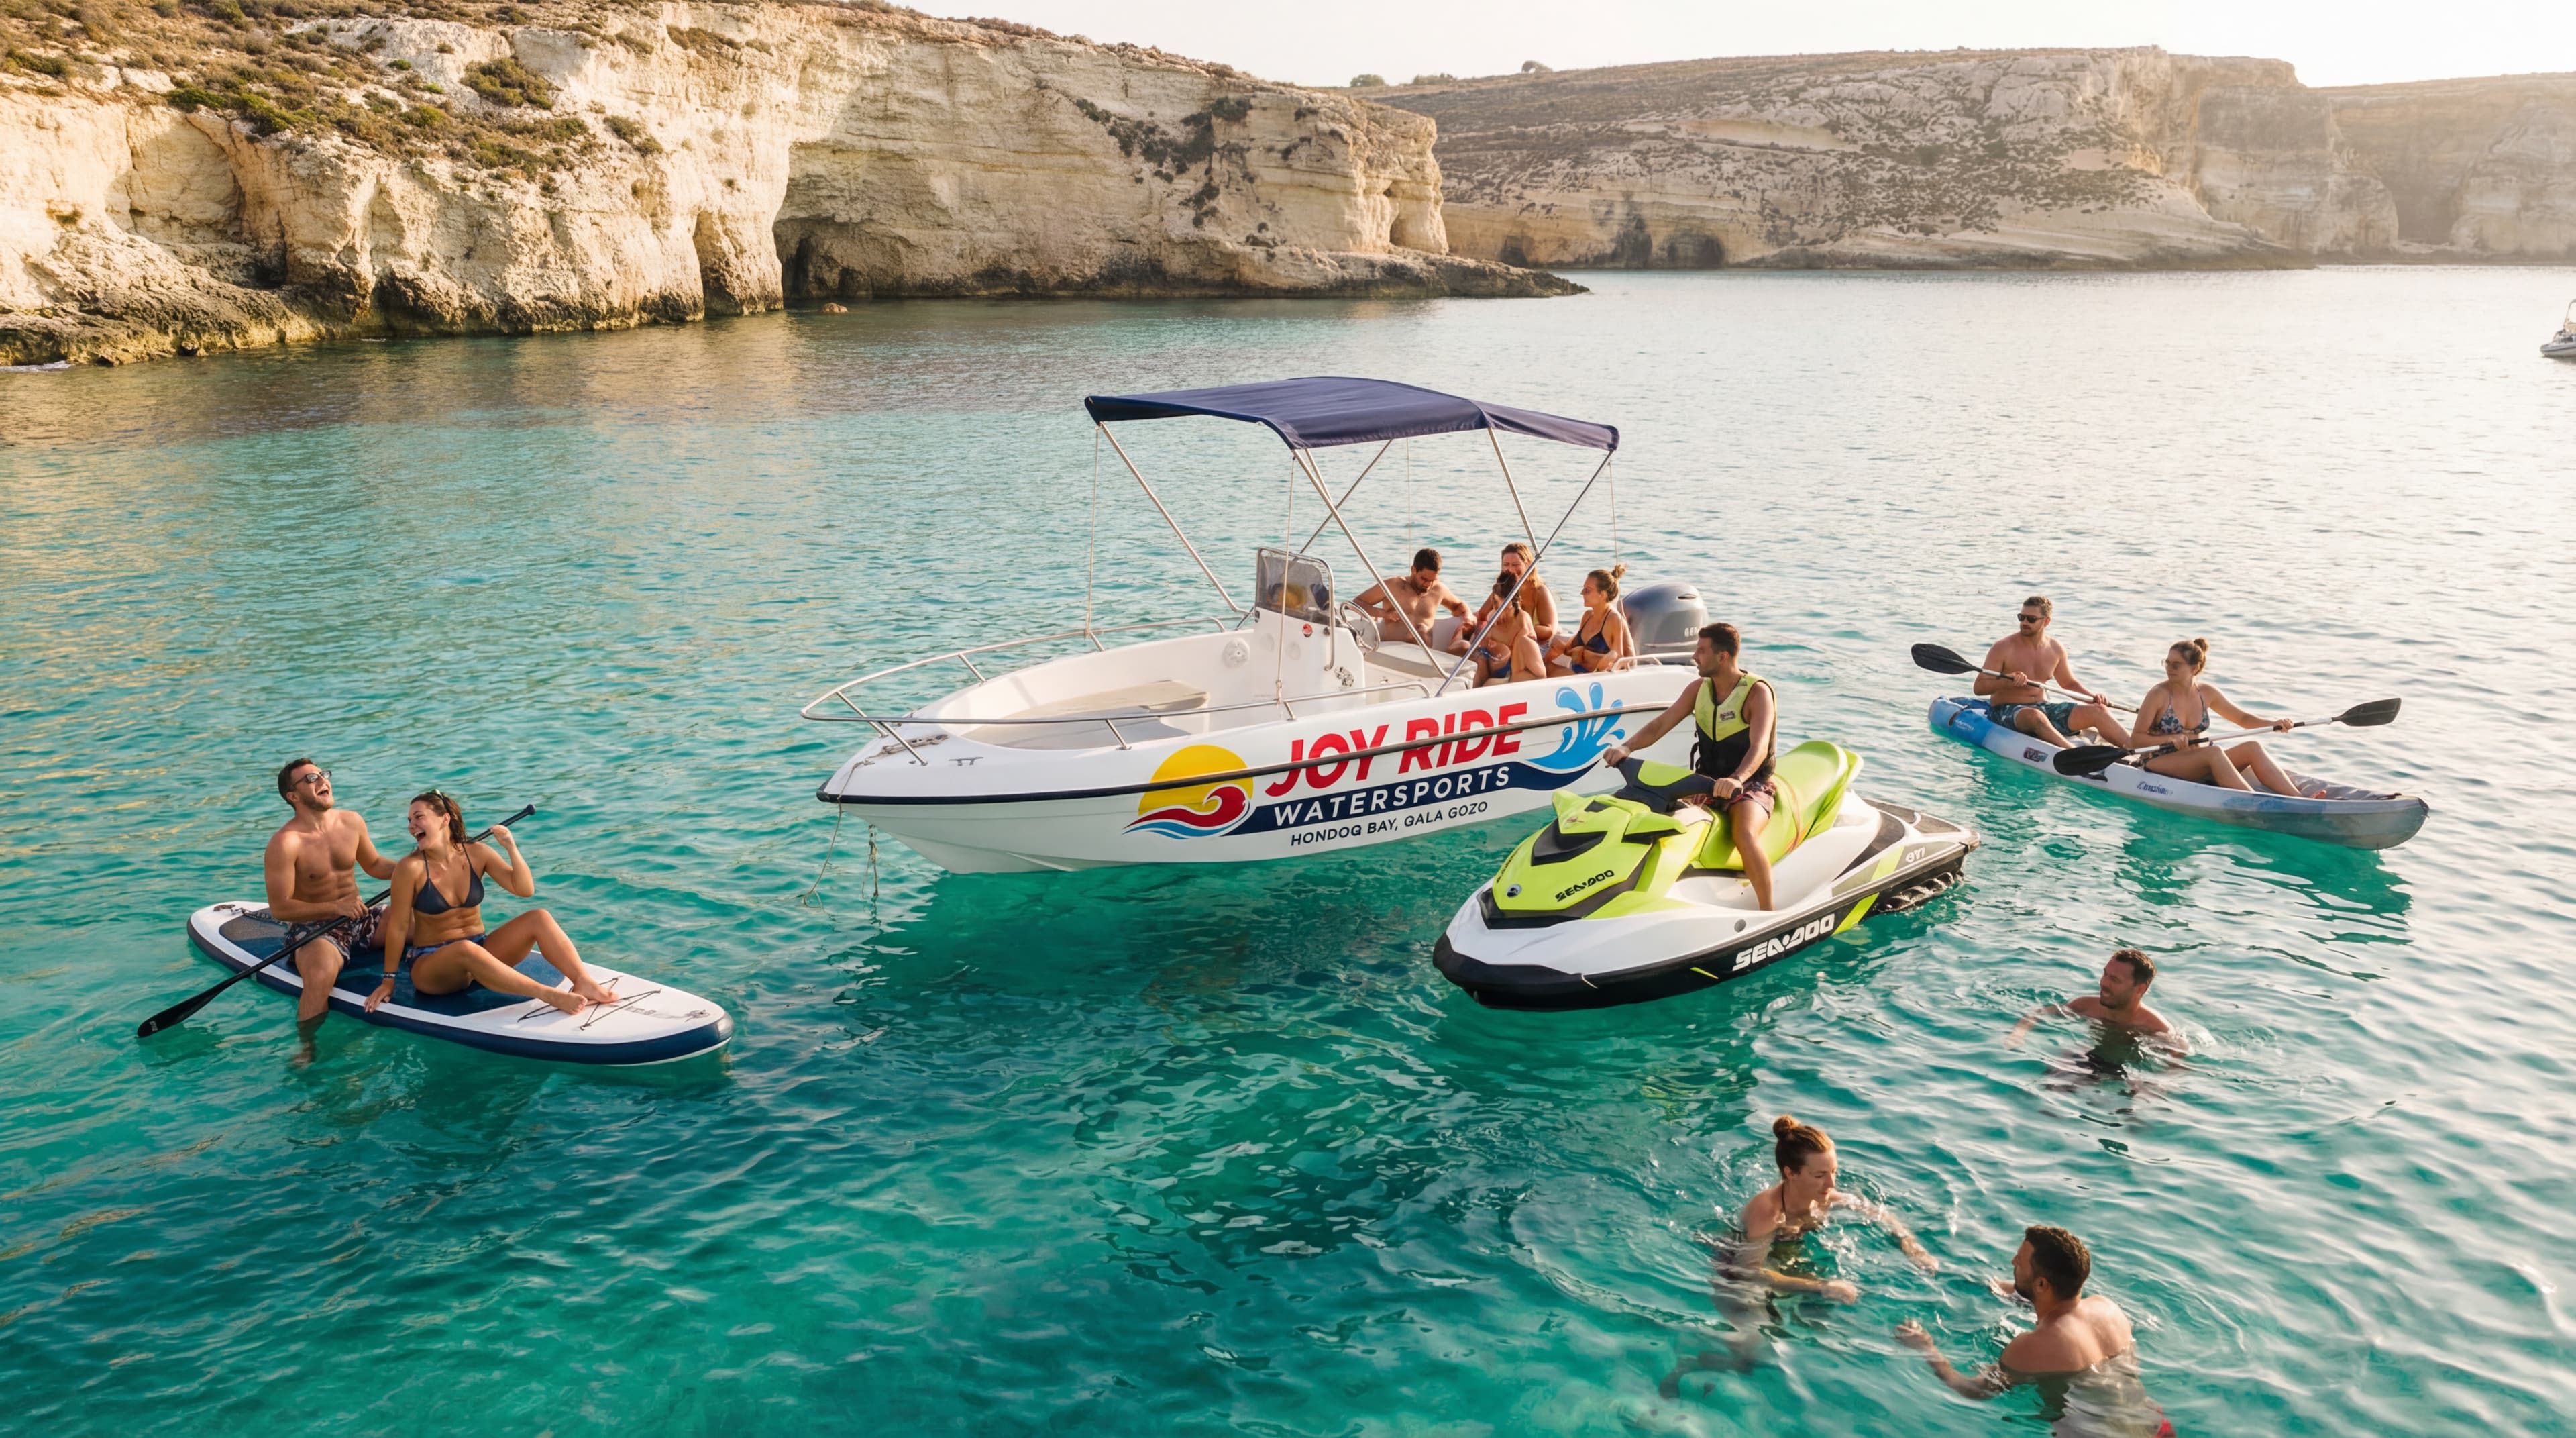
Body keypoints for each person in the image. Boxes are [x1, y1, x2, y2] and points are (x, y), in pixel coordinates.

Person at [1661, 1115, 1937, 1393]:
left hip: (1780, 1260)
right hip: (1735, 1266)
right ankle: (1689, 1360)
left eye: (1834, 1172)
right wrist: (1821, 1286)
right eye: (1820, 1175)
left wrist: (1910, 1245)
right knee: (1754, 1349)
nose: (1831, 1184)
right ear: (1791, 1173)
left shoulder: (1825, 1198)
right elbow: (1749, 1272)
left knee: (1817, 1326)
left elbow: (1879, 1214)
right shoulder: (1768, 1211)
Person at [1896, 1226, 2172, 1436]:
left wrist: (1927, 1349)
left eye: (2020, 1261)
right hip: (2154, 1425)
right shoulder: (2108, 1308)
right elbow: (2052, 1304)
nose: (2013, 1261)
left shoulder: (2033, 1345)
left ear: (2042, 1285)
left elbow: (1972, 1389)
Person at [370, 790, 616, 1017]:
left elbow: (525, 890)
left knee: (539, 917)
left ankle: (583, 981)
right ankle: (549, 995)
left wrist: (510, 847)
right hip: (432, 966)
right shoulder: (409, 868)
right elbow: (399, 927)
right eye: (409, 821)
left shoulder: (477, 853)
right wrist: (388, 982)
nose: (411, 826)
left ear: (445, 819)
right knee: (465, 950)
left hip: (481, 949)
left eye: (418, 817)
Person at [1599, 622, 1782, 909]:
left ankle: (1769, 911)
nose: (1694, 656)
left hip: (1749, 784)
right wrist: (1626, 747)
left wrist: (1737, 779)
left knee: (1744, 834)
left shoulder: (1757, 693)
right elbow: (1661, 724)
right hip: (1705, 782)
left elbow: (1758, 748)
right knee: (1649, 816)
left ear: (1722, 656)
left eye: (1701, 650)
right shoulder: (1699, 689)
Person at [262, 759, 396, 1050]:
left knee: (426, 919)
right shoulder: (285, 843)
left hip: (360, 917)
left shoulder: (351, 821)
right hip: (316, 930)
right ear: (293, 796)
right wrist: (336, 907)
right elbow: (281, 908)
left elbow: (374, 865)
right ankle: (307, 1048)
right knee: (321, 977)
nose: (323, 780)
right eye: (311, 778)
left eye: (322, 774)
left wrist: (413, 867)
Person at [2130, 637, 2322, 797]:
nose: (2169, 668)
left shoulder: (2207, 693)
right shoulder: (2158, 694)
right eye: (2167, 662)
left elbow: (2243, 719)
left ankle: (2300, 799)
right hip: (2160, 761)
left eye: (2176, 665)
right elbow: (2136, 740)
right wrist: (2169, 739)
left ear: (2195, 668)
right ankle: (2252, 802)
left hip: (2196, 762)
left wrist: (2274, 724)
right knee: (2214, 753)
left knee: (2252, 748)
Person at [1976, 596, 2130, 750]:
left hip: (2044, 707)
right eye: (2021, 617)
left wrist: (2093, 699)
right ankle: (2071, 752)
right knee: (2035, 716)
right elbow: (1979, 688)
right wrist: (2008, 682)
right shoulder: (2003, 648)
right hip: (2006, 709)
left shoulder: (2056, 648)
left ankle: (2137, 752)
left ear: (2046, 621)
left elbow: (2068, 684)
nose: (2024, 623)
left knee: (2099, 711)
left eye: (2031, 619)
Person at [2008, 948, 2175, 1046]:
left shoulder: (2157, 1028)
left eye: (2115, 980)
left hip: (2126, 1068)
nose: (2104, 983)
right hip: (2088, 1055)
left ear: (2140, 988)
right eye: (2105, 974)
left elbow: (2177, 1059)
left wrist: (2154, 1086)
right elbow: (2040, 1012)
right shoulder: (2086, 1006)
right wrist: (2018, 1034)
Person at [1350, 547, 1469, 644]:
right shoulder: (1393, 586)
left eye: (1432, 580)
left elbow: (1459, 606)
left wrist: (1468, 617)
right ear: (1414, 570)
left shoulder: (1438, 590)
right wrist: (1384, 614)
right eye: (1424, 579)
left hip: (1425, 656)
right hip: (1394, 653)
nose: (1428, 584)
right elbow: (1355, 604)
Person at [1461, 570, 1546, 686]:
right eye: (1493, 601)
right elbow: (1482, 643)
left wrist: (1500, 646)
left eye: (1496, 602)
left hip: (1509, 668)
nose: (1494, 606)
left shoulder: (1522, 619)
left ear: (1509, 603)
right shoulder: (1493, 615)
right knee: (1475, 659)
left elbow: (1523, 650)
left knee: (1483, 669)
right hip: (1490, 660)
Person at [1547, 565, 1634, 676]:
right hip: (1576, 672)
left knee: (1543, 672)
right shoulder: (1587, 616)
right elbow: (1570, 648)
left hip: (1593, 678)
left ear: (1602, 595)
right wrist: (1564, 648)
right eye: (1584, 588)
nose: (1582, 593)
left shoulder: (1614, 619)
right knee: (1545, 667)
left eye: (1587, 590)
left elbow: (1617, 655)